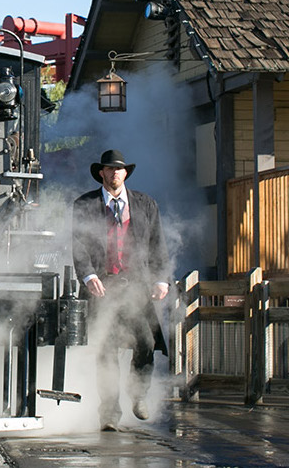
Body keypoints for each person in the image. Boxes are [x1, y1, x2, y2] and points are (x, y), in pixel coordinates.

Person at [72, 149, 169, 431]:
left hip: (136, 287)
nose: (115, 173)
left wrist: (161, 278)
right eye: (109, 169)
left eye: (119, 169)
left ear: (126, 173)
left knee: (146, 343)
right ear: (101, 173)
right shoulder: (85, 204)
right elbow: (77, 244)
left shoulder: (145, 204)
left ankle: (138, 395)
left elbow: (157, 243)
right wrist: (87, 275)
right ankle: (109, 414)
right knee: (106, 350)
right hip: (102, 287)